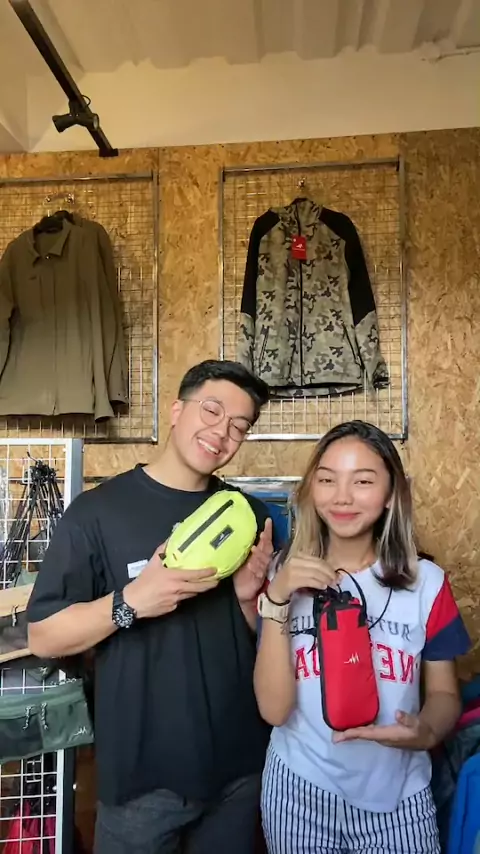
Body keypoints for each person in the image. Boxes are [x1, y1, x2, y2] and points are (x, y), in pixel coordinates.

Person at [27, 359, 275, 854]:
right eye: (212, 411)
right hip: (143, 779)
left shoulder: (249, 514)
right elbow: (44, 635)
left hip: (239, 770)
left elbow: (265, 639)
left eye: (238, 426)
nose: (222, 433)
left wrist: (249, 601)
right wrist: (131, 601)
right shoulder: (96, 512)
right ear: (177, 410)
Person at [254, 420, 471, 854]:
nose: (342, 497)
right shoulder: (283, 574)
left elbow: (445, 694)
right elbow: (274, 710)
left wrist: (427, 731)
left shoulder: (427, 583)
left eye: (363, 481)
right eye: (327, 480)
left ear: (391, 494)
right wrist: (277, 596)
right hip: (298, 790)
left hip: (398, 794)